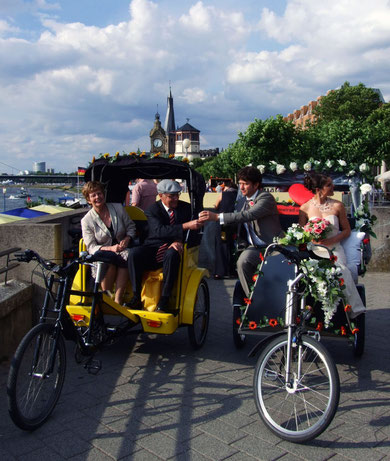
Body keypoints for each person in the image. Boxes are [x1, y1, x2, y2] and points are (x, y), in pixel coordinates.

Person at [199, 166, 283, 297]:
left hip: (273, 247)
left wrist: (216, 217)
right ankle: (252, 298)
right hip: (255, 248)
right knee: (242, 262)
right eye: (240, 184)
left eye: (246, 184)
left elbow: (248, 215)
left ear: (256, 185)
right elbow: (236, 219)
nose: (241, 187)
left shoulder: (265, 198)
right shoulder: (243, 201)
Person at [127, 179, 204, 312]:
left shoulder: (186, 209)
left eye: (177, 195)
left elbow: (194, 230)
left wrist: (179, 240)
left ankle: (164, 299)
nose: (175, 199)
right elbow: (159, 230)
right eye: (171, 196)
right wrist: (185, 226)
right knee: (134, 253)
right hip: (154, 246)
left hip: (174, 249)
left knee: (172, 253)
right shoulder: (152, 210)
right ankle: (135, 296)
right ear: (161, 195)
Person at [298, 172, 365, 318]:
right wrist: (311, 238)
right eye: (329, 185)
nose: (333, 186)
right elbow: (301, 234)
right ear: (318, 189)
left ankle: (354, 311)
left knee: (340, 270)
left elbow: (347, 231)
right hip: (314, 250)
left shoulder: (338, 205)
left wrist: (331, 240)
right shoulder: (305, 208)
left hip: (334, 250)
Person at [81, 181, 136, 305]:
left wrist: (127, 239)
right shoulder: (86, 220)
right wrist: (111, 248)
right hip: (103, 252)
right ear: (89, 200)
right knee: (110, 260)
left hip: (123, 249)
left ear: (103, 194)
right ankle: (106, 297)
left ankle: (117, 300)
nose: (97, 197)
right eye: (93, 195)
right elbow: (91, 247)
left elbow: (131, 227)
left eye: (99, 193)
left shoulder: (117, 208)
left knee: (128, 256)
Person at [212, 180, 238, 279]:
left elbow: (215, 206)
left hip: (222, 224)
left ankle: (219, 272)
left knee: (221, 245)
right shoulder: (238, 195)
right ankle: (231, 270)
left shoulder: (223, 194)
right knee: (231, 246)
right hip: (234, 223)